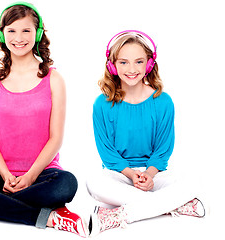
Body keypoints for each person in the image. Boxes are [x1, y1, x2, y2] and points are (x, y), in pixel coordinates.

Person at [0, 2, 87, 237]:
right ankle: (46, 217)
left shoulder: (54, 79)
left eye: (26, 31)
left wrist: (30, 177)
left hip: (43, 174)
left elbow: (56, 138)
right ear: (1, 34)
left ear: (38, 34)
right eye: (11, 30)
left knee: (66, 185)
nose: (18, 38)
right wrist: (5, 175)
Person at [86, 30, 205, 236]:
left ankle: (117, 216)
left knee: (192, 183)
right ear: (112, 66)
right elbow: (107, 153)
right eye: (123, 62)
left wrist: (149, 175)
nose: (131, 69)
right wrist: (132, 175)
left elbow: (163, 150)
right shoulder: (102, 104)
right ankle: (174, 205)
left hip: (155, 174)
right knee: (94, 184)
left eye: (139, 62)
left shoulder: (163, 101)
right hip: (119, 174)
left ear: (149, 65)